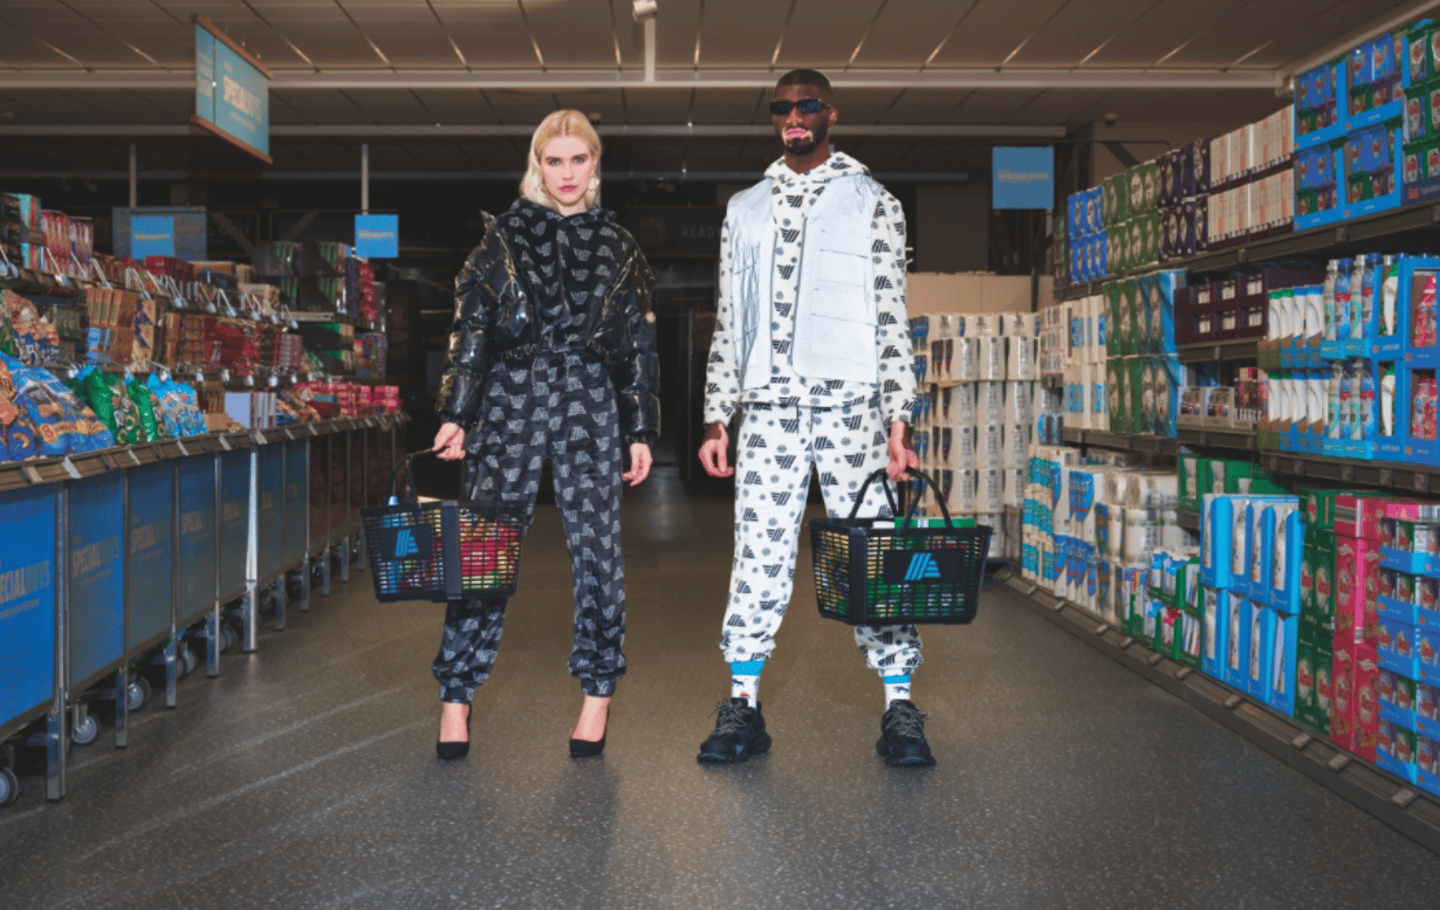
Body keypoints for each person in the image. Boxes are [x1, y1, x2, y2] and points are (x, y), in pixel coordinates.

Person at [696, 68, 933, 767]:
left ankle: (899, 707)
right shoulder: (744, 209)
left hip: (852, 403)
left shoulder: (874, 203)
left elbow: (893, 316)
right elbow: (730, 317)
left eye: (805, 107)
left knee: (878, 552)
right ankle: (742, 703)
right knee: (758, 554)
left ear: (831, 113)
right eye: (781, 109)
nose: (793, 118)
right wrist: (718, 416)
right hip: (768, 408)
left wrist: (900, 420)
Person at [431, 109, 659, 760]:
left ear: (594, 165)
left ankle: (597, 696)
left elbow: (638, 347)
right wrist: (457, 413)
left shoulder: (619, 244)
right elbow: (470, 331)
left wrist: (641, 427)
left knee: (599, 553)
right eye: (552, 160)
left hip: (590, 398)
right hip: (512, 393)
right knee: (484, 550)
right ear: (537, 166)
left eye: (577, 159)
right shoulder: (501, 239)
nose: (565, 173)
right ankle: (456, 696)